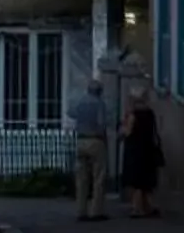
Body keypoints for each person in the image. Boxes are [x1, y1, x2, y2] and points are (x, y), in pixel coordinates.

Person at [68, 78, 115, 221]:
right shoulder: (99, 103)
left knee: (81, 178)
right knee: (98, 177)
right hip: (95, 140)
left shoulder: (80, 102)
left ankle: (80, 211)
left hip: (80, 140)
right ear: (99, 91)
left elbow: (70, 112)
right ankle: (96, 211)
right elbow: (102, 123)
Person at [118, 89, 164, 218]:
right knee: (146, 181)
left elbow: (127, 132)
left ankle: (137, 208)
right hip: (148, 149)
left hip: (135, 150)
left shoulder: (133, 115)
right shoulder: (149, 113)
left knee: (137, 182)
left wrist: (122, 126)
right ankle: (148, 207)